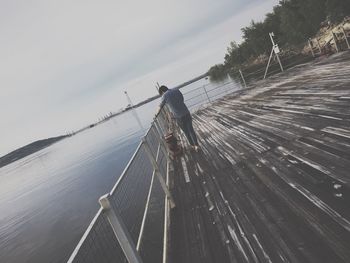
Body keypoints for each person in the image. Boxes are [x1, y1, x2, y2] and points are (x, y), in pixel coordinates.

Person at [156, 85, 200, 151]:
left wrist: (156, 114)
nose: (162, 95)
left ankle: (192, 146)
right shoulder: (176, 90)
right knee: (191, 130)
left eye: (161, 94)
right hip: (186, 112)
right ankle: (197, 145)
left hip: (178, 116)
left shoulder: (164, 95)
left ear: (162, 91)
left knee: (186, 132)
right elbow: (182, 99)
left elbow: (160, 106)